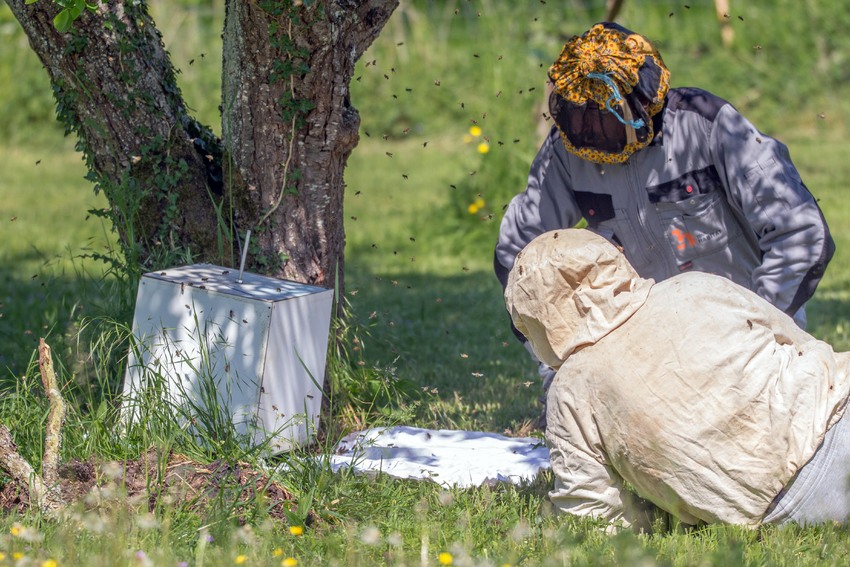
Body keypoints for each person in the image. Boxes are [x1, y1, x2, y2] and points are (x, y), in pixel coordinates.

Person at [494, 23, 835, 416]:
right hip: (637, 358)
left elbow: (801, 232)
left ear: (642, 103)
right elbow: (518, 259)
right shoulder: (564, 153)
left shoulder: (707, 125)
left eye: (602, 112)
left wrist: (758, 329)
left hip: (746, 343)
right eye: (578, 113)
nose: (588, 129)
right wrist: (560, 360)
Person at [504, 228, 850, 529]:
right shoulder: (694, 286)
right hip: (836, 410)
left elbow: (588, 508)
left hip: (792, 504)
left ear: (537, 319)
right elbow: (796, 340)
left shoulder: (571, 389)